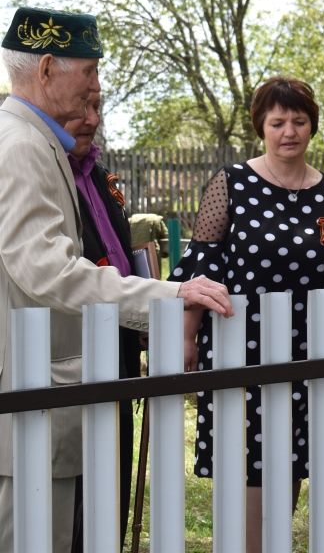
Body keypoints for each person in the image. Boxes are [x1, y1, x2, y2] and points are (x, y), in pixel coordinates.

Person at [0, 7, 232, 553]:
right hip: (34, 403)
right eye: (90, 71)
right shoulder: (22, 147)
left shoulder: (35, 141)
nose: (96, 87)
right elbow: (45, 269)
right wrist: (168, 295)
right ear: (49, 68)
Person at [169, 75, 324, 553]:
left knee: (292, 459)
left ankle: (274, 544)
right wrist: (186, 336)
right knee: (247, 461)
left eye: (299, 121)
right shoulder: (232, 183)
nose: (289, 131)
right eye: (278, 122)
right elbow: (202, 264)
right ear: (260, 127)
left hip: (309, 348)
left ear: (313, 127)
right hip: (238, 345)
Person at [61, 91, 144, 549]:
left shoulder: (101, 175)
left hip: (117, 352)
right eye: (80, 108)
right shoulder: (45, 173)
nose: (90, 119)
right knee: (67, 505)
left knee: (109, 495)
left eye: (97, 109)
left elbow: (117, 255)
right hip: (69, 358)